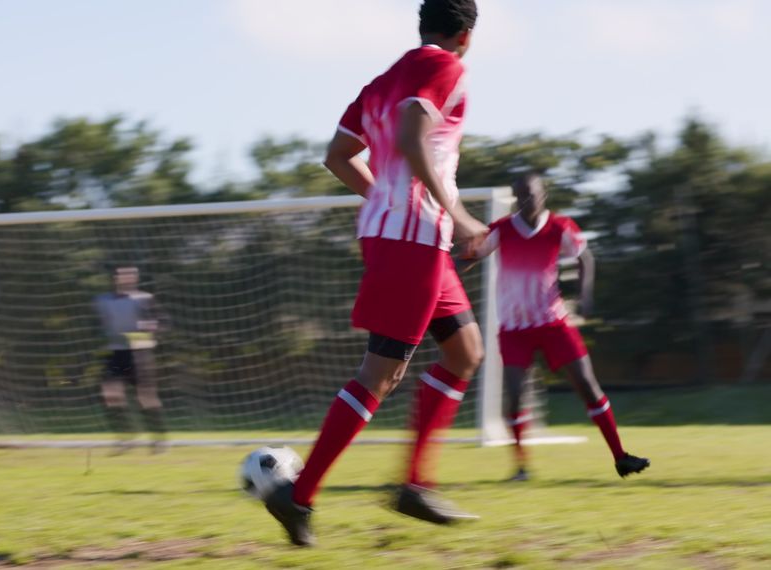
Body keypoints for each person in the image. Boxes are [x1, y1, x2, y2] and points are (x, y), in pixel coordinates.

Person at [264, 0, 488, 547]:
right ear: (465, 34)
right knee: (379, 375)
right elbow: (413, 140)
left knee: (465, 351)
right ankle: (298, 496)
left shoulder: (384, 79)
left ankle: (414, 484)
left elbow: (338, 155)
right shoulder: (445, 67)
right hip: (411, 238)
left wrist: (386, 197)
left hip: (408, 235)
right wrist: (456, 216)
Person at [472, 173, 650, 481]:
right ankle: (521, 467)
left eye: (531, 193)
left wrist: (585, 296)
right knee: (514, 395)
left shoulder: (560, 226)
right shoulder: (501, 230)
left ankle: (621, 457)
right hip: (514, 328)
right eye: (520, 195)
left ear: (544, 194)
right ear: (514, 198)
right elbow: (472, 254)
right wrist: (444, 268)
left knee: (587, 386)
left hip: (554, 323)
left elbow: (585, 258)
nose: (526, 200)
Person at [94, 266, 167, 454]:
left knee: (146, 397)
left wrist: (151, 328)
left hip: (140, 353)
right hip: (117, 353)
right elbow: (99, 324)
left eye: (131, 275)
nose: (127, 278)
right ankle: (126, 438)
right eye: (123, 275)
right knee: (110, 394)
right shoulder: (102, 300)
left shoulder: (145, 298)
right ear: (115, 278)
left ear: (135, 278)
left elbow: (162, 322)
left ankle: (159, 439)